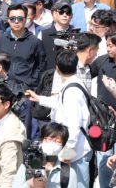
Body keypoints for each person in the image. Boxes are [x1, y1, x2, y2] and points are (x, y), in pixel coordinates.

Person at [27, 49, 92, 188]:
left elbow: (74, 127)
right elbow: (59, 102)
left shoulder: (72, 91)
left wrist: (66, 155)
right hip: (73, 152)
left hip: (76, 154)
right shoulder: (73, 84)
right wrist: (39, 98)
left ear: (57, 68)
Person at [89, 29, 116, 188]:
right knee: (104, 159)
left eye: (111, 46)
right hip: (103, 121)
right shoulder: (101, 61)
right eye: (107, 45)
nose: (108, 49)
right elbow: (85, 75)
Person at [0, 4, 46, 92]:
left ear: (25, 20)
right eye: (13, 18)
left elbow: (41, 67)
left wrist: (32, 84)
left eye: (20, 18)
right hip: (2, 89)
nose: (16, 21)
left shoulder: (35, 42)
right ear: (8, 20)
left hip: (25, 91)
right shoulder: (0, 40)